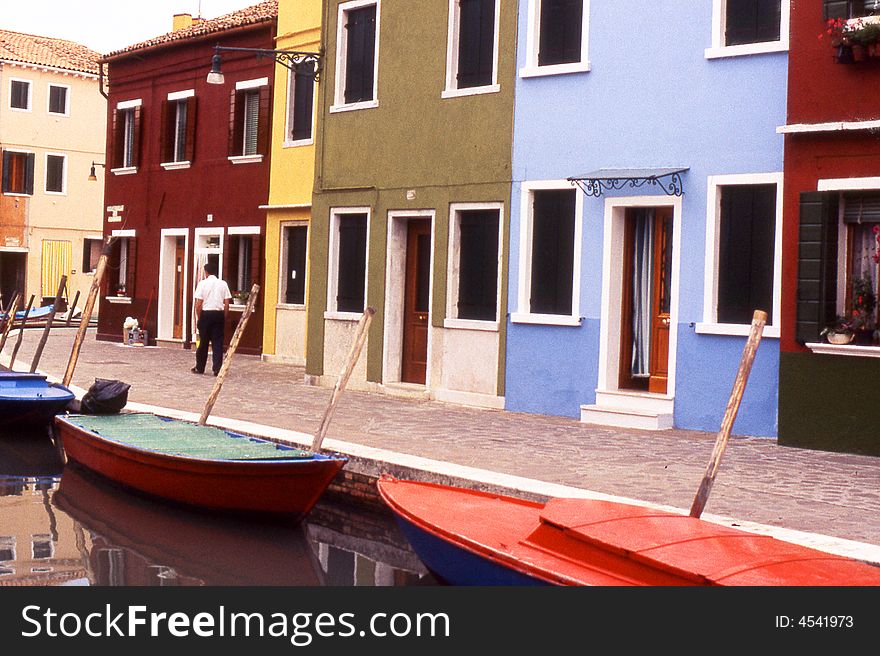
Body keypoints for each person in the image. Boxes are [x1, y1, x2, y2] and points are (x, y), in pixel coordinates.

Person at [192, 261, 232, 376]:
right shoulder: (223, 284)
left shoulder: (202, 284)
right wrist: (223, 316)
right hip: (218, 314)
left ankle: (200, 367)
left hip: (206, 314)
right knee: (217, 342)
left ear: (206, 272)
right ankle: (217, 368)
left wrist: (200, 317)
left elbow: (199, 303)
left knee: (203, 342)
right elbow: (226, 303)